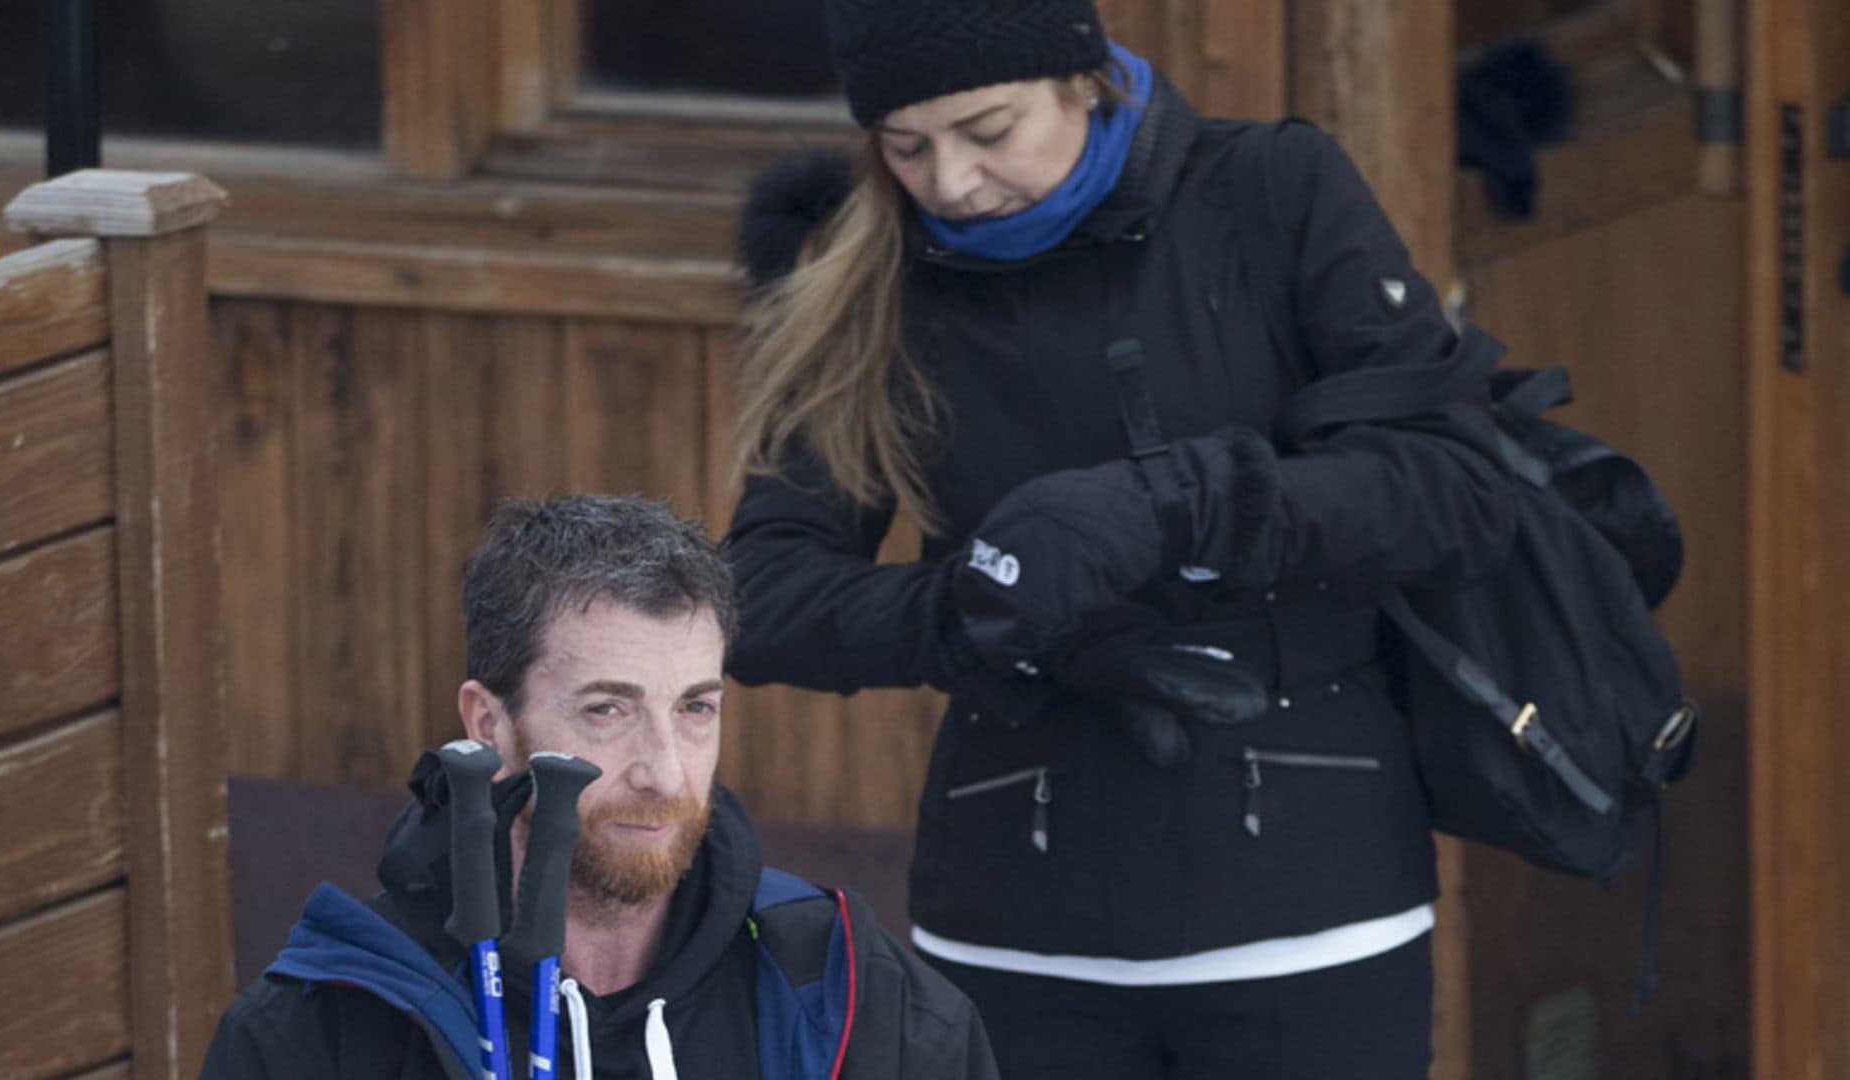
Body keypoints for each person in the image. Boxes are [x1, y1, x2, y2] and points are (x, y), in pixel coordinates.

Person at [726, 1, 1520, 1076]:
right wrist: (978, 607)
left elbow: (1449, 483)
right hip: (1017, 909)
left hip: (1313, 893)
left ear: (1082, 81)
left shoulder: (1273, 190)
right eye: (905, 147)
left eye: (988, 130)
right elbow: (756, 593)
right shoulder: (861, 279)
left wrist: (1174, 506)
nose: (951, 183)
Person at [201, 495, 999, 1079]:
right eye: (606, 709)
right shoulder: (326, 1030)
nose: (665, 772)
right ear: (488, 723)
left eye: (694, 709)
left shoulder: (854, 1003)